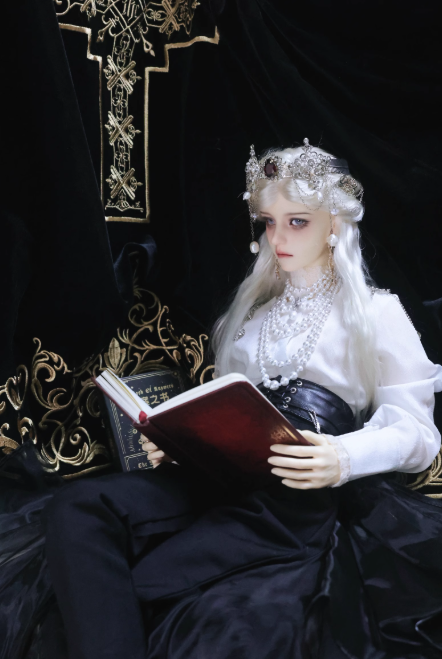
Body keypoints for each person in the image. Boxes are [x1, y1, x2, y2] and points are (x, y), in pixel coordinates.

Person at [42, 139, 442, 659]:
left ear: (335, 224)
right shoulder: (251, 319)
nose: (277, 237)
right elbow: (230, 410)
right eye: (268, 222)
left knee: (157, 587)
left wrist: (344, 456)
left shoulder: (376, 314)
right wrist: (184, 441)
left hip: (293, 499)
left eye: (297, 221)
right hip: (220, 479)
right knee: (79, 507)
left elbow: (419, 432)